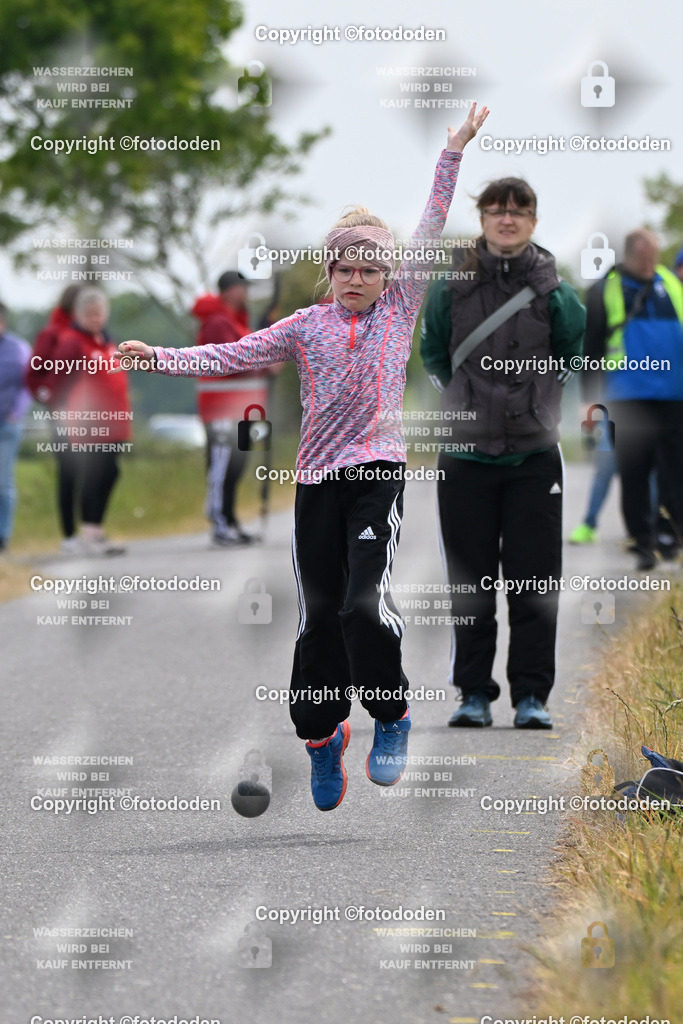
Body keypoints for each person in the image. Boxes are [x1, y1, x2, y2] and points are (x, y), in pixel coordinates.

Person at [112, 104, 490, 811]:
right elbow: (229, 353)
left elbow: (433, 221)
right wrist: (156, 355)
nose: (355, 279)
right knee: (320, 616)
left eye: (367, 269)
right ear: (329, 272)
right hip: (316, 481)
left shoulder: (399, 309)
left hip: (375, 472)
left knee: (359, 605)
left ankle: (392, 715)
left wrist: (452, 155)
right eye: (343, 268)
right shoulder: (305, 326)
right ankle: (321, 740)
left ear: (387, 276)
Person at [421, 177, 585, 730]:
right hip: (465, 457)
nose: (507, 219)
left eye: (518, 211)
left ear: (533, 221)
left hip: (534, 458)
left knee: (534, 583)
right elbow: (433, 350)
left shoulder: (556, 292)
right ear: (483, 218)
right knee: (470, 584)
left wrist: (537, 404)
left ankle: (531, 697)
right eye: (496, 210)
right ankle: (473, 694)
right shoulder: (452, 286)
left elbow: (569, 350)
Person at [582, 228, 683, 571]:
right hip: (627, 398)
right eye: (643, 259)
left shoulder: (669, 283)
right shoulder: (603, 290)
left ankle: (673, 537)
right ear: (628, 255)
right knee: (635, 474)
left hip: (673, 395)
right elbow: (591, 350)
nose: (649, 265)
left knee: (676, 471)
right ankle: (643, 543)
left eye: (654, 258)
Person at [192, 271, 270, 545]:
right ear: (228, 291)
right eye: (241, 287)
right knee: (223, 465)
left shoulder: (239, 321)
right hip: (222, 409)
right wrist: (265, 363)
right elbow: (230, 359)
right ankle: (220, 521)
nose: (245, 293)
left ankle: (230, 519)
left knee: (237, 465)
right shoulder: (218, 322)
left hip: (246, 408)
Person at [59, 288, 132, 555]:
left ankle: (95, 529)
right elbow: (59, 379)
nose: (95, 319)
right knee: (93, 475)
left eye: (99, 313)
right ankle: (87, 534)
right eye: (89, 314)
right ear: (79, 315)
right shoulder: (73, 341)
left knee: (110, 472)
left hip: (114, 421)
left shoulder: (108, 342)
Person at [26, 284, 84, 553]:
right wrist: (48, 397)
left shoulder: (94, 333)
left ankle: (91, 528)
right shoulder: (52, 334)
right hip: (63, 413)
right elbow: (34, 372)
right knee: (69, 471)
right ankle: (70, 534)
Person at [0, 303, 31, 551]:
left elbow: (28, 383)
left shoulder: (18, 349)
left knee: (2, 480)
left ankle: (3, 536)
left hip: (6, 425)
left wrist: (16, 413)